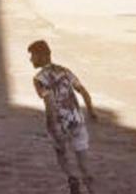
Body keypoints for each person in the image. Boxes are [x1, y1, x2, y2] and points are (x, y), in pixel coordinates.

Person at [28, 40, 98, 194]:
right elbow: (83, 91)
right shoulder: (65, 71)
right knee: (84, 163)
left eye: (33, 55)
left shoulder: (39, 78)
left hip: (60, 124)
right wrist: (91, 111)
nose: (31, 59)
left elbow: (49, 102)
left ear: (41, 55)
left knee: (61, 154)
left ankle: (72, 178)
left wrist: (52, 126)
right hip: (77, 121)